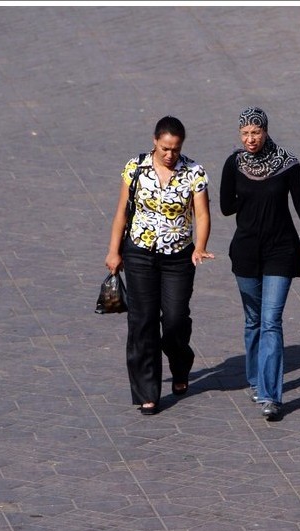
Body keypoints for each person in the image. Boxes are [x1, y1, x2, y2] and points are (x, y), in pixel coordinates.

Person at [105, 115, 214, 415]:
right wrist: (114, 252)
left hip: (179, 256)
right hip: (139, 254)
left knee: (176, 319)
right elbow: (121, 214)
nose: (170, 155)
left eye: (175, 149)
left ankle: (180, 365)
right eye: (165, 148)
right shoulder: (135, 168)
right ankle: (147, 391)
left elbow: (202, 215)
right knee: (143, 322)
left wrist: (200, 247)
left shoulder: (194, 172)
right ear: (155, 141)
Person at [220, 107, 300, 420]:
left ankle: (270, 395)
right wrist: (249, 199)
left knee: (271, 321)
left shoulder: (287, 162)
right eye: (246, 133)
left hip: (281, 250)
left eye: (256, 132)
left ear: (266, 131)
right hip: (247, 252)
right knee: (253, 320)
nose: (251, 139)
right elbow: (225, 207)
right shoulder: (234, 163)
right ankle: (255, 379)